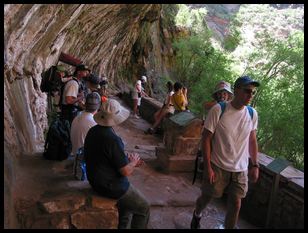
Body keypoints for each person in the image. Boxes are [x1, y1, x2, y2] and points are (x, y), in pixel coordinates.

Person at [190, 75, 260, 229]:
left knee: (236, 203)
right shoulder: (218, 110)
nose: (250, 95)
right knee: (207, 197)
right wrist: (208, 167)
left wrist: (255, 165)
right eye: (247, 91)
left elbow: (252, 140)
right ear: (236, 90)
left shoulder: (252, 113)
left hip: (240, 169)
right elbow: (206, 138)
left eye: (253, 93)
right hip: (218, 165)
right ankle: (197, 214)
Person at [84, 99, 150, 229]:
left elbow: (106, 157)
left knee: (126, 209)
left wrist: (127, 161)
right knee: (144, 207)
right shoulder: (112, 139)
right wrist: (133, 162)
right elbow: (125, 171)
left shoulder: (93, 131)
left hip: (95, 180)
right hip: (110, 186)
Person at [70, 92, 101, 156]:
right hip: (83, 158)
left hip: (75, 153)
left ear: (85, 104)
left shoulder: (77, 116)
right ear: (99, 106)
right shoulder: (94, 122)